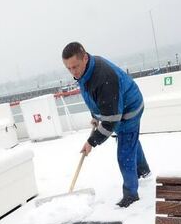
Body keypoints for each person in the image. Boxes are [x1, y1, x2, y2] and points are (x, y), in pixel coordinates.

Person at [62, 42, 150, 208]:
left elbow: (111, 120)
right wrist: (95, 116)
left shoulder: (103, 77)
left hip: (129, 111)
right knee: (130, 142)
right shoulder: (85, 72)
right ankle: (143, 170)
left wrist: (92, 142)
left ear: (85, 58)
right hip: (118, 108)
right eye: (69, 68)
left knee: (125, 153)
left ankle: (131, 195)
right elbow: (93, 97)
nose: (73, 72)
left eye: (76, 66)